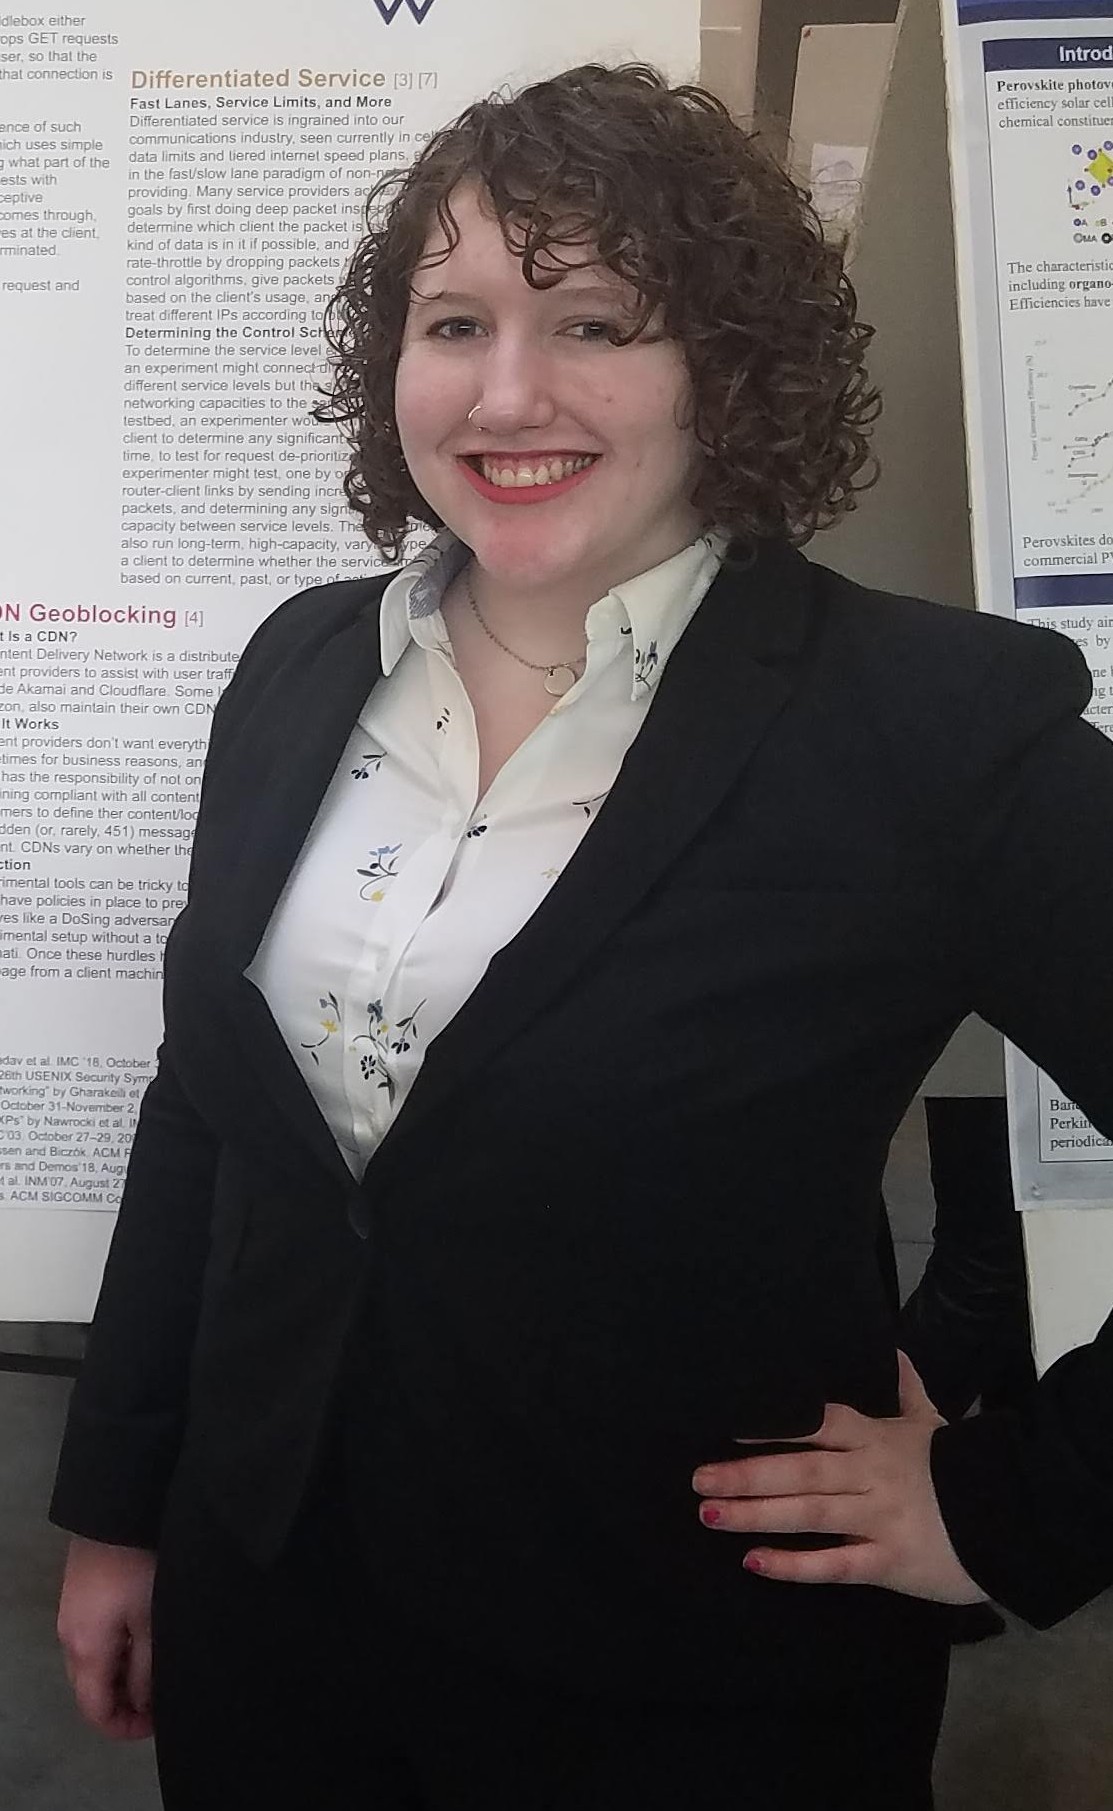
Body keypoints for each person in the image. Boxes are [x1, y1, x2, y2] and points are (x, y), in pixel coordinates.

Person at [50, 63, 1113, 1811]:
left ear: (726, 366)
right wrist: (120, 1509)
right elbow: (210, 1113)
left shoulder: (926, 730)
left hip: (682, 1687)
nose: (507, 389)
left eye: (596, 317)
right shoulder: (302, 671)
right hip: (275, 1635)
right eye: (452, 319)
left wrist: (1014, 1504)